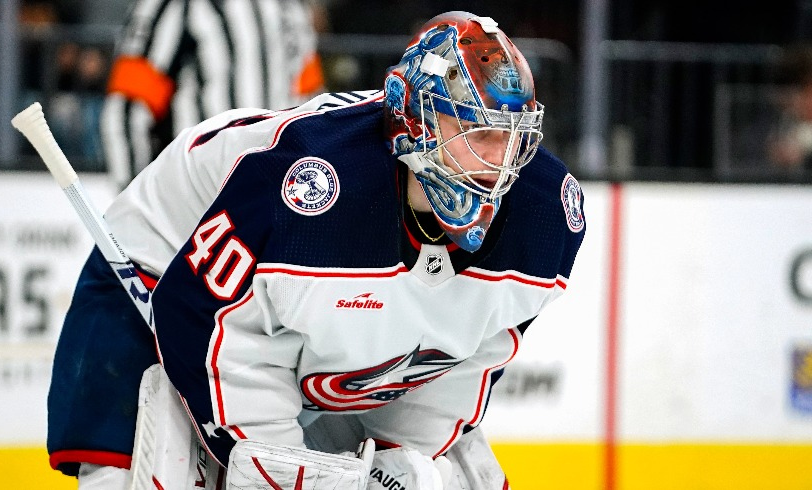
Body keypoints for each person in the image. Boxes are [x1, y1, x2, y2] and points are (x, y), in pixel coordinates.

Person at [47, 11, 586, 489]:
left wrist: (402, 455)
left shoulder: (545, 214)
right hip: (162, 269)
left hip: (274, 314)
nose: (497, 162)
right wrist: (280, 467)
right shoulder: (309, 193)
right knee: (124, 474)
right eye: (473, 130)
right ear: (412, 117)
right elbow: (209, 325)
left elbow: (465, 353)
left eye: (510, 135)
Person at [100, 0, 324, 190]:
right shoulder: (179, 4)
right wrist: (138, 211)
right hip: (202, 195)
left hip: (279, 194)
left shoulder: (290, 6)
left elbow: (311, 106)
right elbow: (126, 110)